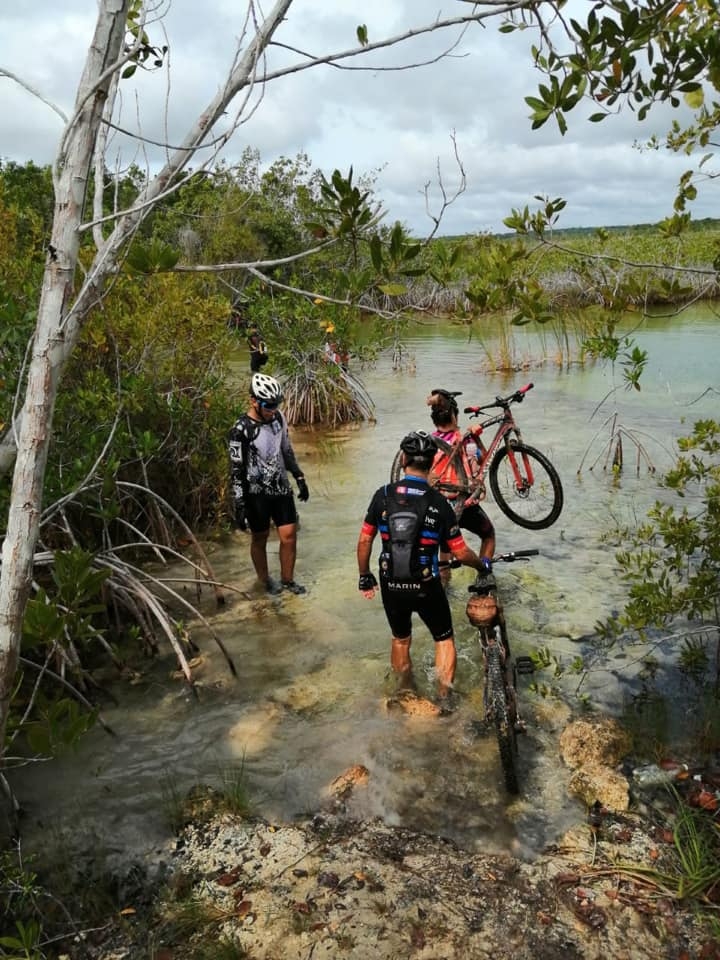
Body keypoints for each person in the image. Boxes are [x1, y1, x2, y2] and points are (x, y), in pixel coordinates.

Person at [356, 431, 488, 700]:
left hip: (391, 582)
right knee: (443, 638)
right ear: (431, 463)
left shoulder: (381, 495)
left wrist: (365, 575)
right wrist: (481, 566)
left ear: (403, 460)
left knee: (401, 638)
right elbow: (460, 552)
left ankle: (405, 691)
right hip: (427, 584)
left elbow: (364, 540)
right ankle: (443, 698)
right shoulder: (439, 502)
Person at [228, 373, 309, 595]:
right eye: (268, 405)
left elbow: (286, 449)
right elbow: (236, 470)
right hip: (256, 493)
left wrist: (299, 477)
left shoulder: (279, 419)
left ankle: (287, 581)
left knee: (289, 535)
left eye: (276, 404)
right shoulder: (240, 430)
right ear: (254, 401)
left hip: (281, 487)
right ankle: (264, 581)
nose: (273, 409)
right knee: (260, 537)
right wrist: (239, 503)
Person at [426, 388, 495, 571]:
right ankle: (484, 571)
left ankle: (444, 583)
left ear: (434, 419)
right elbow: (485, 461)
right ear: (455, 416)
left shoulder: (429, 443)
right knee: (488, 535)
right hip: (465, 505)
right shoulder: (466, 441)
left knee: (445, 546)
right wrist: (477, 439)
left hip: (438, 506)